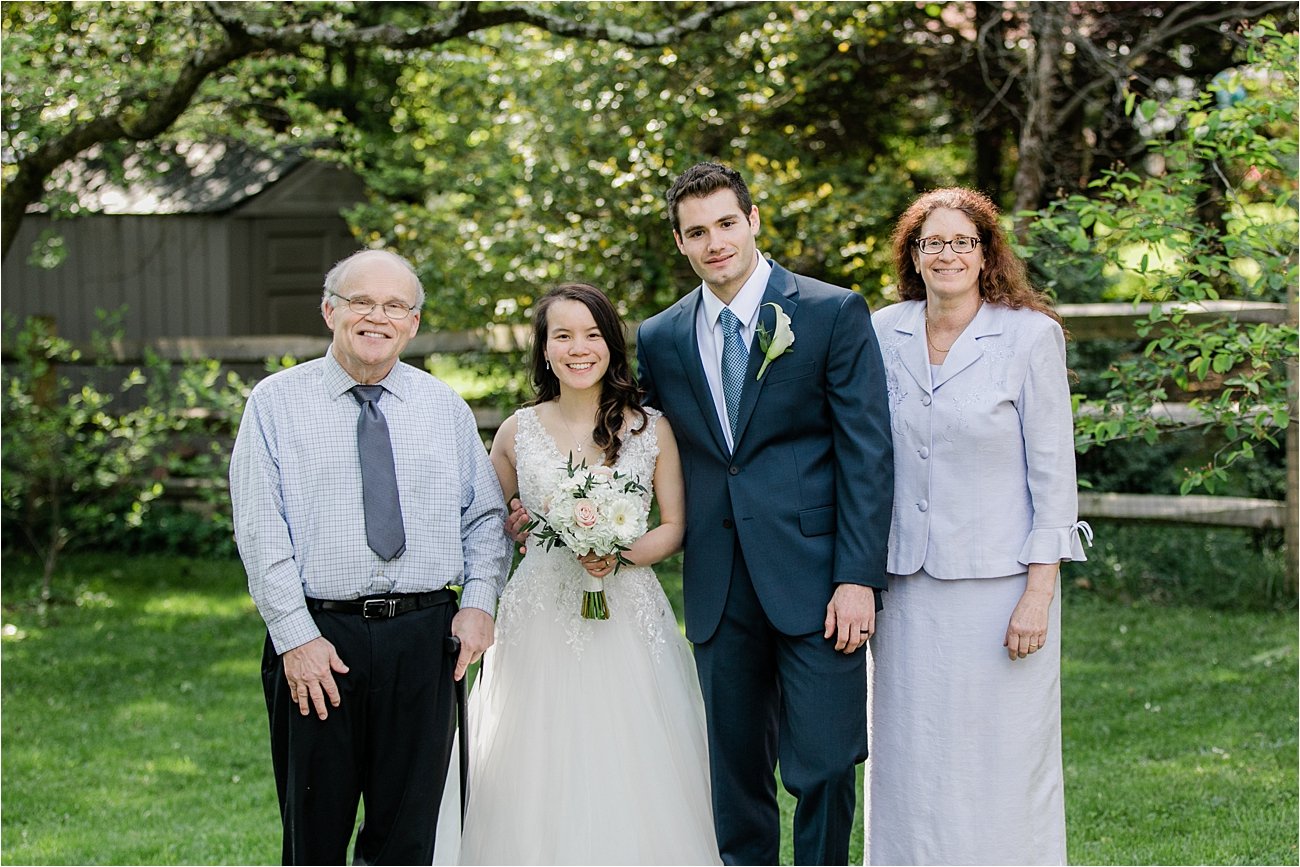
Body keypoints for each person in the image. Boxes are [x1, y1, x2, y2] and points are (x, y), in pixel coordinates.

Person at [635, 162, 894, 865]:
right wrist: (555, 498)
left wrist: (858, 577)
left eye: (726, 223)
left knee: (827, 762)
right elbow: (636, 444)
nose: (715, 242)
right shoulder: (660, 336)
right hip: (719, 583)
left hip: (818, 578)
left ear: (753, 220)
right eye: (697, 232)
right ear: (681, 243)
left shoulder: (830, 312)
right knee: (736, 774)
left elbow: (867, 454)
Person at [230, 249, 512, 865]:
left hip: (425, 640)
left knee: (408, 840)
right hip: (318, 639)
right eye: (361, 301)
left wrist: (479, 604)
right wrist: (295, 638)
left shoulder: (444, 407)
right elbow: (259, 531)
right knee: (315, 837)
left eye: (394, 306)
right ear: (329, 310)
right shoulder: (275, 404)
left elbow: (486, 518)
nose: (377, 317)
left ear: (413, 323)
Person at [454, 282, 721, 865]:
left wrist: (619, 554)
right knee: (533, 753)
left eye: (593, 334)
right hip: (539, 613)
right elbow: (487, 523)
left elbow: (675, 525)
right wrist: (518, 526)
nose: (579, 348)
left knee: (629, 750)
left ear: (612, 345)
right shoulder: (516, 432)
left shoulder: (650, 429)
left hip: (626, 612)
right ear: (544, 349)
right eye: (563, 336)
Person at [864, 187, 1092, 865]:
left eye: (962, 241)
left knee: (999, 758)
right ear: (913, 255)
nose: (948, 255)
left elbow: (1054, 478)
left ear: (987, 253)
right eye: (932, 242)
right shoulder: (882, 331)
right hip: (905, 587)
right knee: (910, 758)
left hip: (1000, 589)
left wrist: (1038, 594)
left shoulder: (1030, 336)